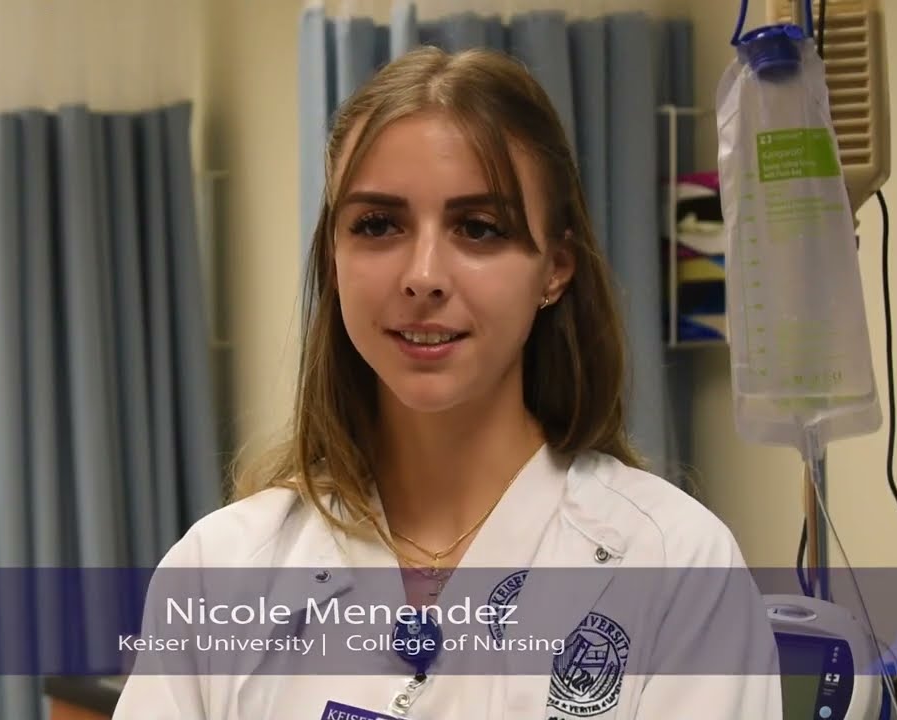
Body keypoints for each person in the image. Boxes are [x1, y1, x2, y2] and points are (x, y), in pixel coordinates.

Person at [113, 46, 782, 719]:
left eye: (479, 228)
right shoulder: (221, 571)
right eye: (378, 225)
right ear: (334, 260)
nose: (423, 275)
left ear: (555, 268)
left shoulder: (674, 569)